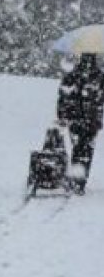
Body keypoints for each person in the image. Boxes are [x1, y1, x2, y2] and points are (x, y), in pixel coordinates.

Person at [57, 53, 104, 194]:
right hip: (92, 120)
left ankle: (75, 178)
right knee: (87, 150)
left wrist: (62, 115)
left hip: (75, 119)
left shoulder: (73, 75)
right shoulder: (100, 76)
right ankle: (80, 181)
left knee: (77, 147)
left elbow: (63, 96)